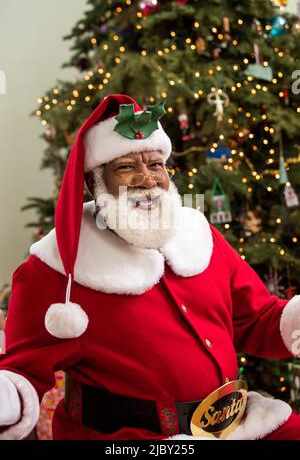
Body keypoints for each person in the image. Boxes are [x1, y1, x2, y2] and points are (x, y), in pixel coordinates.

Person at [0, 94, 300, 441]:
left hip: (236, 423)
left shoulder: (198, 234)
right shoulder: (55, 268)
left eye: (155, 164)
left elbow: (256, 319)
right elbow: (20, 371)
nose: (147, 178)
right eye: (126, 167)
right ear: (95, 182)